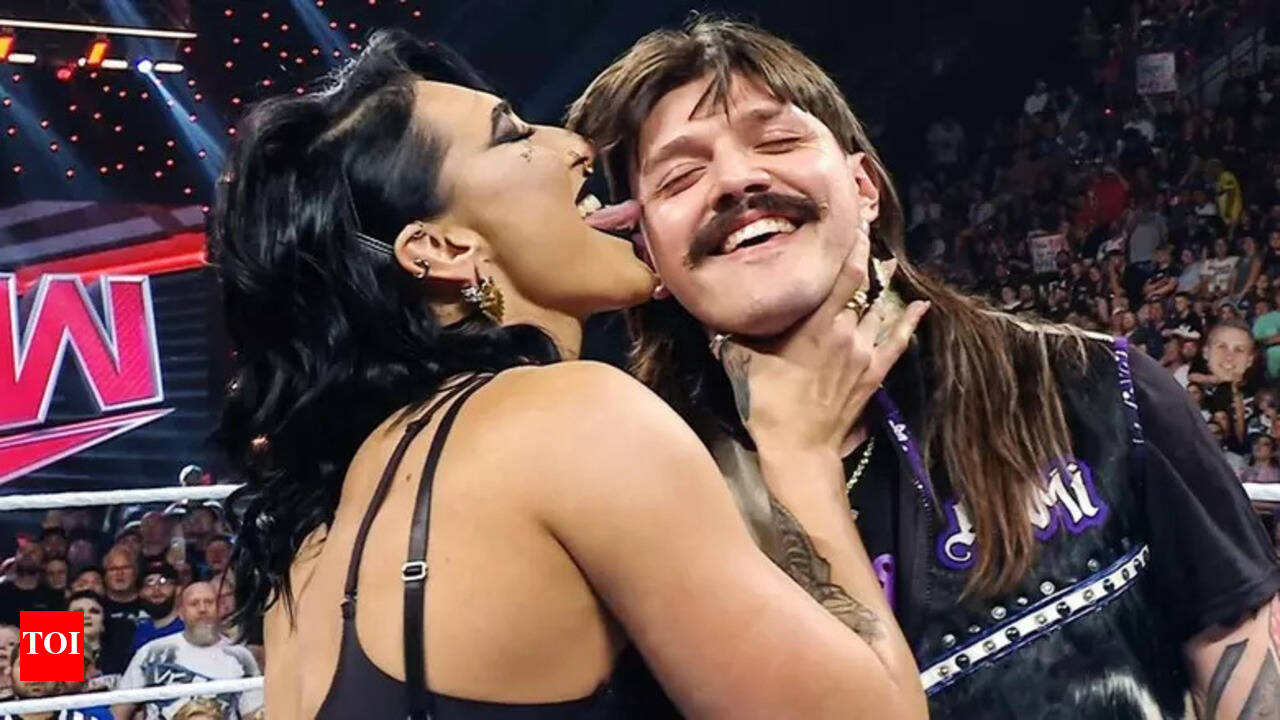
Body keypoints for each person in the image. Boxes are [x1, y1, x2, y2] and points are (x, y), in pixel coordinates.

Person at [567, 16, 1280, 718]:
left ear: (865, 188)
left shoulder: (1094, 387)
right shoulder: (643, 520)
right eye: (682, 176)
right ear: (648, 254)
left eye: (777, 140)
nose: (735, 180)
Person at [212, 29, 926, 719]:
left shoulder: (313, 545)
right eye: (514, 136)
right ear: (444, 249)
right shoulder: (568, 419)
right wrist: (801, 462)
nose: (579, 146)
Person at [113, 583, 263, 720]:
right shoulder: (152, 652)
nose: (202, 609)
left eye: (209, 602)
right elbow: (118, 712)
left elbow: (253, 714)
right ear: (181, 613)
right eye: (194, 603)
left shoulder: (241, 657)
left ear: (219, 609)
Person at [67, 591, 122, 692]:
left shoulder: (122, 656)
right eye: (78, 612)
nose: (86, 616)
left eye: (94, 612)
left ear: (103, 623)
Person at [0, 542, 64, 624]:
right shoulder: (2, 591)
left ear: (43, 563)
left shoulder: (54, 596)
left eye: (33, 552)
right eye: (22, 551)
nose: (26, 555)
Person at [128, 562, 183, 657]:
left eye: (163, 582)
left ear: (178, 589)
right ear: (140, 593)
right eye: (149, 584)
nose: (156, 589)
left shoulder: (188, 629)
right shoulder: (140, 632)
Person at [100, 547, 143, 628]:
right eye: (113, 569)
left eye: (125, 568)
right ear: (104, 575)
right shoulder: (89, 603)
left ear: (136, 572)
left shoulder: (151, 602)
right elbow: (74, 635)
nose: (119, 573)